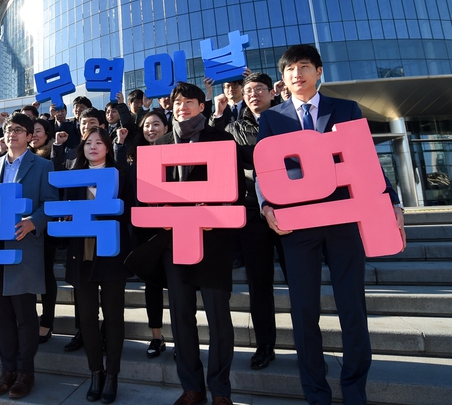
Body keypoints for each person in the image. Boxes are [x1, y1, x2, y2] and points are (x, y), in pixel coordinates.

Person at [256, 44, 406, 405]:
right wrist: (266, 206)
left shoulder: (346, 108)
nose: (297, 74)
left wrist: (393, 201)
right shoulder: (273, 118)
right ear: (284, 79)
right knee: (303, 310)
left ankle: (355, 390)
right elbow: (265, 170)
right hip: (297, 225)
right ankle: (316, 392)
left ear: (319, 72)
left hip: (343, 218)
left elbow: (366, 157)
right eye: (290, 69)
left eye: (304, 66)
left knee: (352, 305)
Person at [155, 82, 243, 405]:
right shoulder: (160, 145)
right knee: (180, 317)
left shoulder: (221, 140)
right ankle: (191, 387)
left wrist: (213, 214)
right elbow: (149, 195)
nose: (182, 108)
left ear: (202, 107)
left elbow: (238, 192)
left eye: (189, 102)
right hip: (174, 243)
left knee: (219, 316)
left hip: (213, 240)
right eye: (178, 103)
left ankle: (220, 390)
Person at [0, 112, 57, 400]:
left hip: (23, 249)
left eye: (18, 130)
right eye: (8, 129)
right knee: (2, 316)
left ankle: (25, 372)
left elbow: (50, 205)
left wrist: (33, 222)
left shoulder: (42, 165)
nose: (12, 134)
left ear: (30, 136)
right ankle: (6, 371)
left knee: (25, 316)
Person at [63, 127, 134, 404]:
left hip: (112, 255)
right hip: (81, 256)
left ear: (107, 147)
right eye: (88, 142)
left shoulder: (121, 175)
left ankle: (113, 375)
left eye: (99, 142)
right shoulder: (74, 178)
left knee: (114, 318)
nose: (93, 147)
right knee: (88, 319)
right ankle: (96, 372)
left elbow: (129, 210)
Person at [223, 73, 285, 371]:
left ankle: (311, 348)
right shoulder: (234, 129)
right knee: (259, 285)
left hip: (291, 211)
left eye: (259, 89)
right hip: (252, 215)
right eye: (248, 90)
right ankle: (265, 345)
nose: (253, 94)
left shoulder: (289, 120)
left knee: (301, 283)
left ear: (272, 92)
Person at [127, 109, 169, 358]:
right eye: (146, 126)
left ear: (166, 127)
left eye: (156, 124)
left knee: (178, 288)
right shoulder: (136, 159)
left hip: (175, 230)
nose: (151, 129)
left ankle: (186, 339)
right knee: (152, 287)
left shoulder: (178, 152)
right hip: (146, 233)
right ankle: (156, 337)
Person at [29, 118, 56, 343]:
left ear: (47, 134)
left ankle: (47, 321)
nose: (34, 135)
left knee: (47, 275)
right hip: (21, 229)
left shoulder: (51, 158)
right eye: (32, 131)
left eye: (38, 131)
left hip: (45, 227)